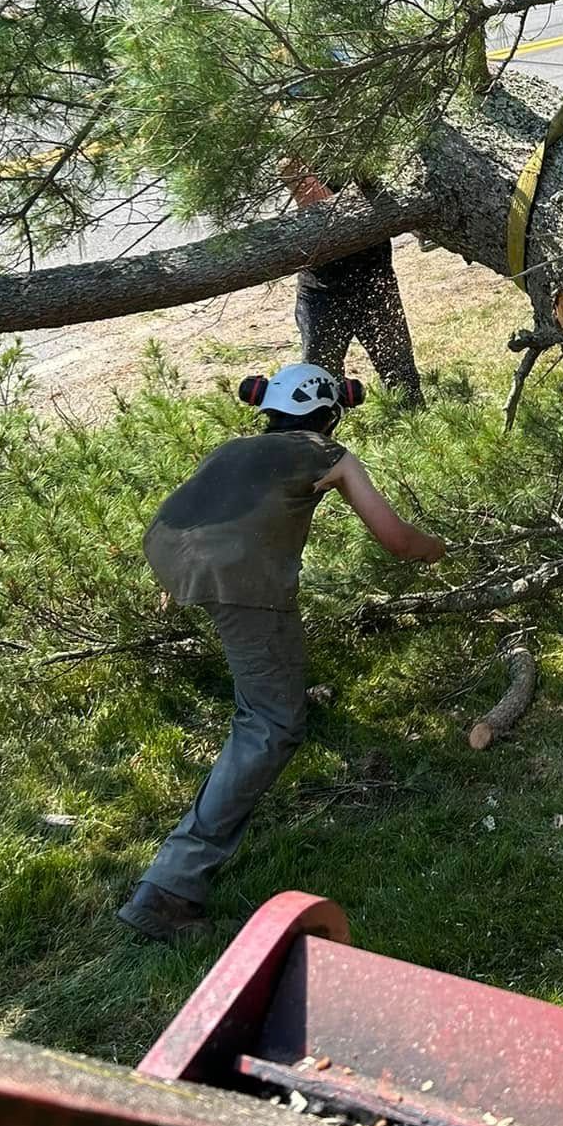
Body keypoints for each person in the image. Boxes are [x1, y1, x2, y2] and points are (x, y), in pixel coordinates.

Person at [116, 362, 446, 943]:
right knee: (270, 722)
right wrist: (433, 549)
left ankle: (273, 690)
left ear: (268, 407)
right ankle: (169, 888)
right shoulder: (329, 453)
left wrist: (182, 578)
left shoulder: (234, 448)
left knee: (267, 669)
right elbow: (395, 539)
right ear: (333, 410)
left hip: (169, 548)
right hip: (241, 580)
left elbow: (198, 508)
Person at [282, 161, 424, 405]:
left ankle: (414, 427)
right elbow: (326, 212)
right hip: (321, 287)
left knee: (401, 375)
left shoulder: (362, 145)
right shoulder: (296, 153)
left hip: (373, 277)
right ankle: (322, 434)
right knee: (319, 380)